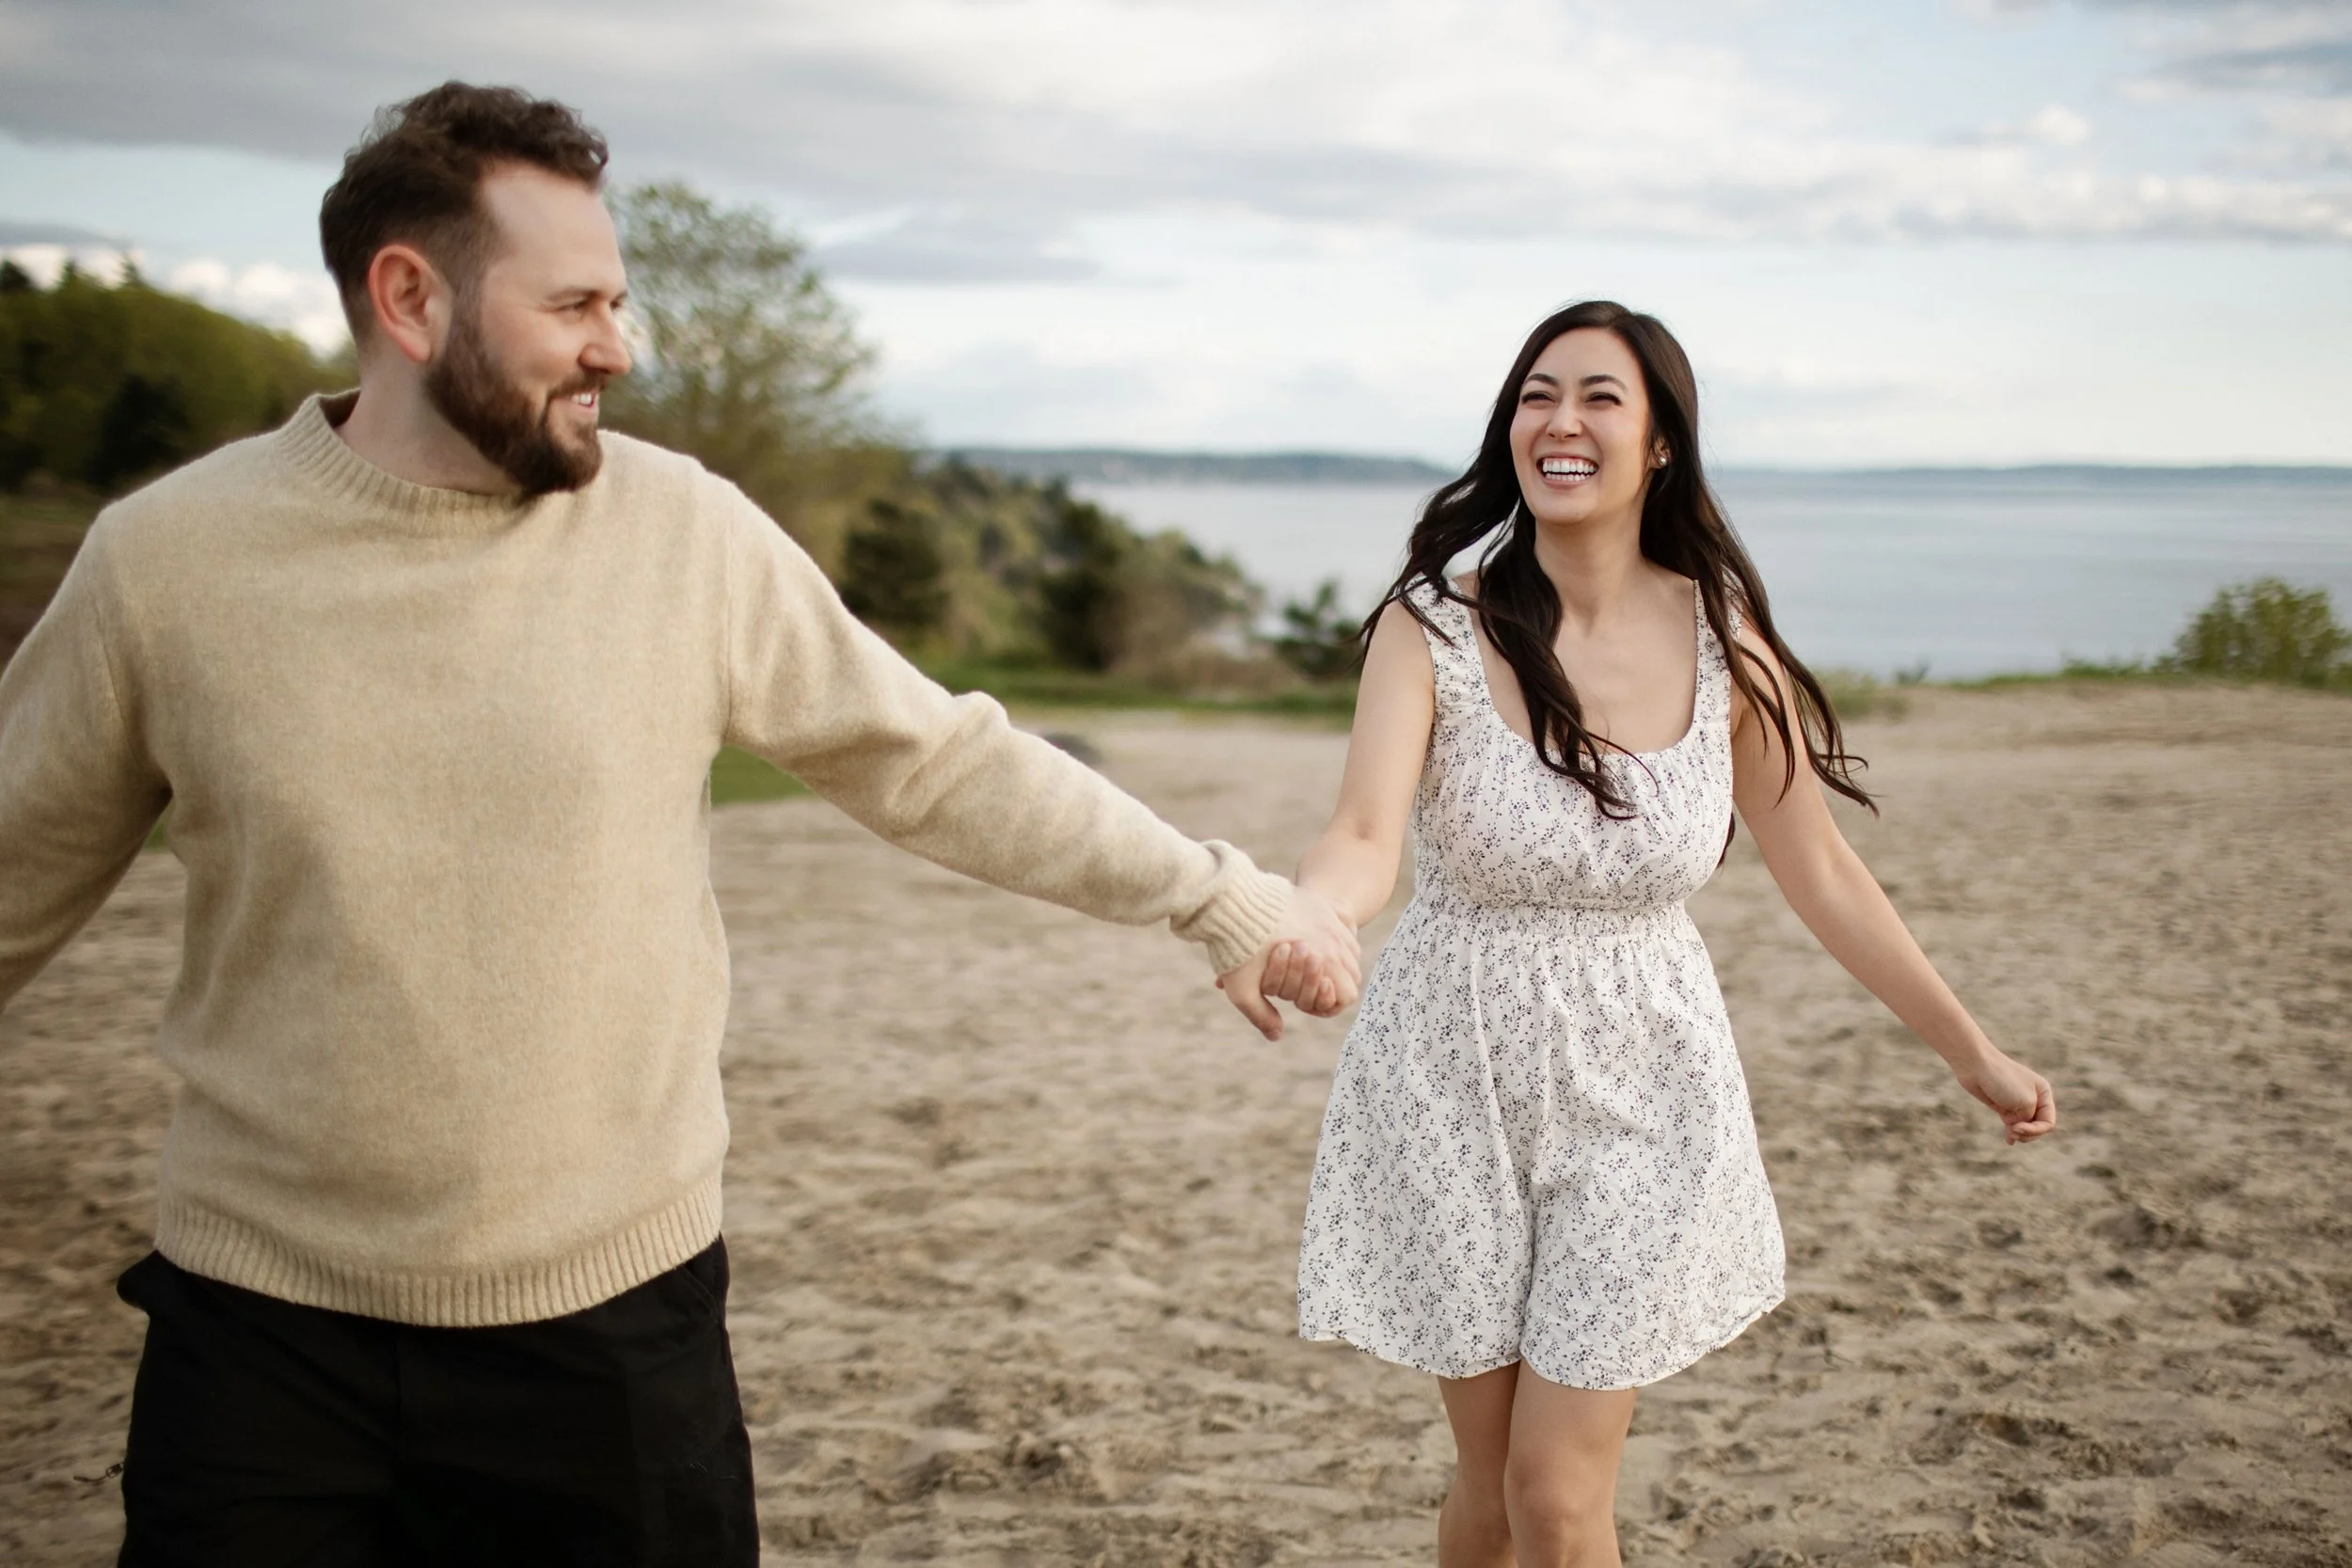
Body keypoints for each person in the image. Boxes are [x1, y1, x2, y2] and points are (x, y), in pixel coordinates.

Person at [0, 83, 1358, 1566]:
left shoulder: (683, 532)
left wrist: (1214, 897)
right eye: (574, 304)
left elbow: (940, 761)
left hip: (611, 1336)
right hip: (262, 1348)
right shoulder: (167, 565)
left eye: (620, 300)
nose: (619, 347)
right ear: (410, 298)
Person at [1265, 301, 2057, 1568]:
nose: (1559, 421)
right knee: (1489, 1492)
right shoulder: (1432, 626)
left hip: (1648, 1081)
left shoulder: (1727, 646)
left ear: (1662, 443)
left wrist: (1971, 1049)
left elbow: (1823, 871)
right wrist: (1313, 917)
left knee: (1556, 1492)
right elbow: (1361, 835)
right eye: (1536, 395)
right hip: (1448, 1073)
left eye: (1599, 397)